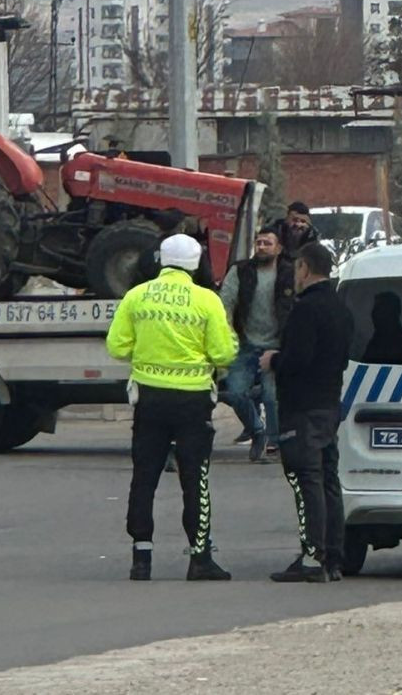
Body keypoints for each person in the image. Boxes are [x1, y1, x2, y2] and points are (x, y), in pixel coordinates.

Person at [106, 234, 238, 582]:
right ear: (195, 263)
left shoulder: (137, 296)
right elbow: (224, 354)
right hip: (193, 402)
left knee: (144, 477)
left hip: (149, 400)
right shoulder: (206, 301)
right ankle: (200, 558)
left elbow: (117, 346)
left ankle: (141, 557)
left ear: (161, 260)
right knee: (195, 479)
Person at [260, 242, 353, 583]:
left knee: (305, 479)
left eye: (297, 268)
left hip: (303, 406)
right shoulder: (341, 307)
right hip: (329, 403)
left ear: (305, 268)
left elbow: (298, 359)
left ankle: (313, 556)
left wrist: (274, 361)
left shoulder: (307, 310)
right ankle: (333, 556)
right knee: (328, 479)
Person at [218, 227, 295, 462]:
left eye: (267, 243)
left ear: (278, 248)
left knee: (272, 397)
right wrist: (228, 331)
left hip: (276, 346)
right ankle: (256, 431)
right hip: (245, 344)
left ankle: (275, 442)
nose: (261, 247)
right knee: (234, 392)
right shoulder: (240, 271)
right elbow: (226, 303)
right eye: (258, 243)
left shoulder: (288, 273)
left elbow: (297, 306)